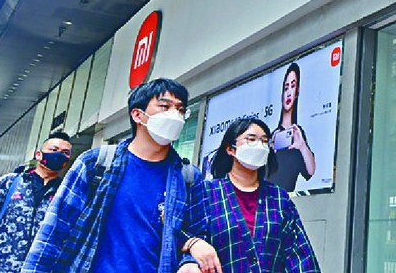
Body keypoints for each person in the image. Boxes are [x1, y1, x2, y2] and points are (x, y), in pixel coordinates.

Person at [21, 78, 221, 273]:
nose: (175, 116)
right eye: (165, 106)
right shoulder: (96, 163)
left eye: (181, 110)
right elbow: (54, 230)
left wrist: (188, 261)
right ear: (138, 115)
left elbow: (195, 234)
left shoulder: (188, 177)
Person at [190, 117, 321, 273]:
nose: (259, 146)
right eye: (251, 139)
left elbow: (300, 256)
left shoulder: (279, 198)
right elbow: (186, 237)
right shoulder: (207, 192)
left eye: (264, 141)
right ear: (230, 149)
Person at [0, 132, 73, 273]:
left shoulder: (65, 195)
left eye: (65, 153)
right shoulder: (10, 183)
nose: (59, 155)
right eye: (54, 150)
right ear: (38, 155)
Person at [268, 63, 316, 192]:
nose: (289, 92)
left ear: (297, 92)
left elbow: (311, 171)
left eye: (293, 86)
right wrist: (271, 152)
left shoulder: (298, 135)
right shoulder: (272, 136)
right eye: (286, 87)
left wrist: (302, 146)